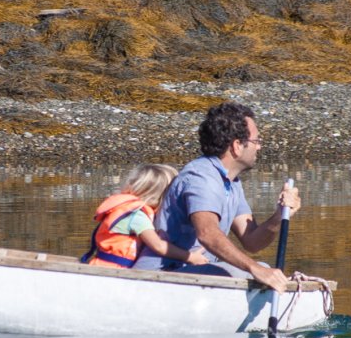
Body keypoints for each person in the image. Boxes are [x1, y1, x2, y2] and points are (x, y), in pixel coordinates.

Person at [131, 101, 300, 291]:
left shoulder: (232, 182)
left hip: (193, 274)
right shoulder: (201, 177)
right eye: (256, 141)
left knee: (264, 269)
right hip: (163, 275)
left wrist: (279, 216)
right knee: (251, 271)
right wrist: (254, 268)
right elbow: (207, 234)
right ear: (237, 146)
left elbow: (252, 241)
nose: (259, 147)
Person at [81, 163, 209, 268]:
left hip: (104, 266)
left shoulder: (128, 209)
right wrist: (190, 257)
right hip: (111, 272)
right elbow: (158, 245)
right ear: (161, 195)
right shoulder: (136, 216)